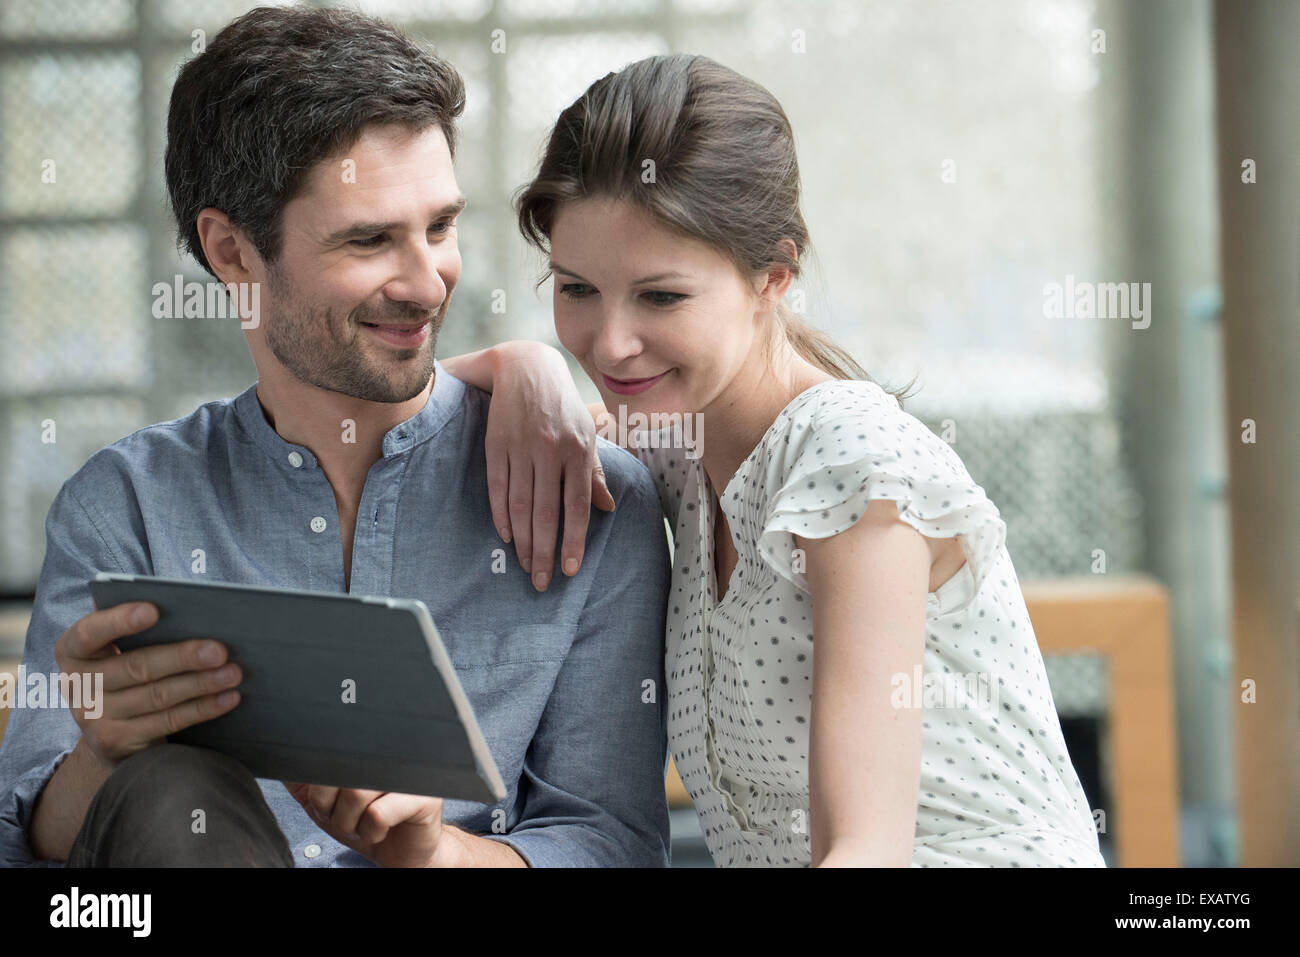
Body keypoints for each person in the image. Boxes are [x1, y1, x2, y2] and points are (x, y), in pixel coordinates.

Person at [0, 6, 671, 868]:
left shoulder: (594, 494)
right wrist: (102, 756)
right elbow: (30, 849)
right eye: (370, 240)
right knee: (167, 790)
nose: (428, 284)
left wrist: (435, 854)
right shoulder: (125, 505)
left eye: (439, 226)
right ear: (233, 252)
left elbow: (611, 843)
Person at [513, 53, 1107, 867]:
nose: (610, 344)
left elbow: (865, 851)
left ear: (773, 277)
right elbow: (518, 412)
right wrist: (523, 367)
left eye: (662, 297)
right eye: (576, 288)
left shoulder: (854, 468)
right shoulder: (680, 440)